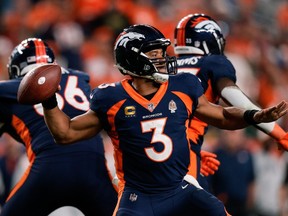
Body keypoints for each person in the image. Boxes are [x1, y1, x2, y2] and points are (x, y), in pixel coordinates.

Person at [41, 24, 287, 216]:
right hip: (138, 199)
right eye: (155, 53)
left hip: (180, 190)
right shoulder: (111, 98)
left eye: (161, 52)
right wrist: (48, 100)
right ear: (134, 60)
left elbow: (222, 115)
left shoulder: (182, 86)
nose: (163, 58)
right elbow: (66, 133)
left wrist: (253, 116)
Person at [0, 38, 118, 216]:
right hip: (93, 167)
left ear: (17, 69)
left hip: (49, 167)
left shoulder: (10, 89)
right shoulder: (80, 78)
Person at [173, 13, 288, 189]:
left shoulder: (165, 66)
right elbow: (235, 97)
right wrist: (280, 134)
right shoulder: (212, 62)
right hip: (182, 155)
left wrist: (175, 152)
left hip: (157, 153)